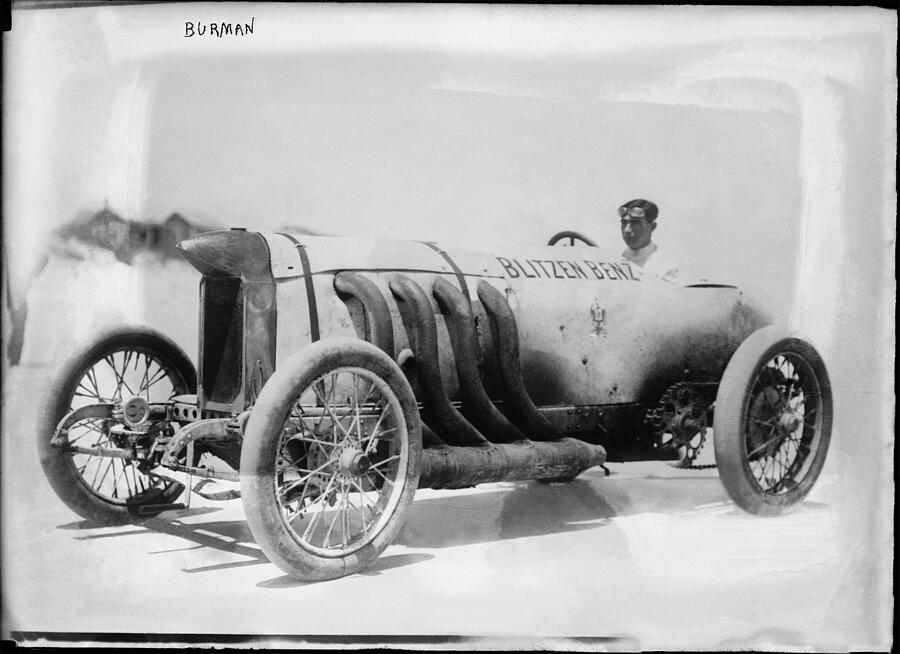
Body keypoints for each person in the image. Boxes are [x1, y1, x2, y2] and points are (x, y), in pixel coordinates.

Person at [617, 198, 679, 283]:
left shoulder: (665, 267)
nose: (627, 230)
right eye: (624, 223)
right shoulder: (613, 257)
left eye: (635, 223)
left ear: (652, 227)